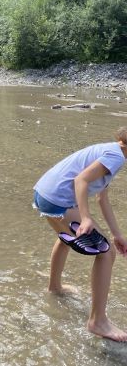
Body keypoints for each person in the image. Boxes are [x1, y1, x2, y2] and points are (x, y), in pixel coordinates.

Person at [33, 128, 127, 342]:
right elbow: (81, 181)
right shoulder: (115, 157)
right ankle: (98, 321)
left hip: (44, 193)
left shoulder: (111, 152)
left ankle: (55, 287)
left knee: (66, 240)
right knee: (105, 252)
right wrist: (85, 218)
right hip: (57, 200)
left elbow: (101, 199)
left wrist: (117, 234)